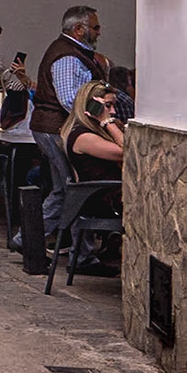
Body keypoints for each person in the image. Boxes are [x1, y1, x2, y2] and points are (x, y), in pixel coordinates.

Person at [31, 6, 103, 244]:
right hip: (55, 128)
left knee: (67, 188)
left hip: (55, 127)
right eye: (95, 27)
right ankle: (30, 240)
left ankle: (33, 240)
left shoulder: (72, 52)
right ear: (79, 29)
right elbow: (69, 99)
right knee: (70, 188)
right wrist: (101, 115)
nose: (99, 32)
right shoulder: (66, 56)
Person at [61, 81, 125, 270]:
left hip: (106, 191)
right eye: (107, 106)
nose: (112, 111)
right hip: (99, 198)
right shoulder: (83, 137)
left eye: (113, 106)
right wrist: (107, 122)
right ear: (91, 106)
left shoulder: (91, 131)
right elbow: (127, 151)